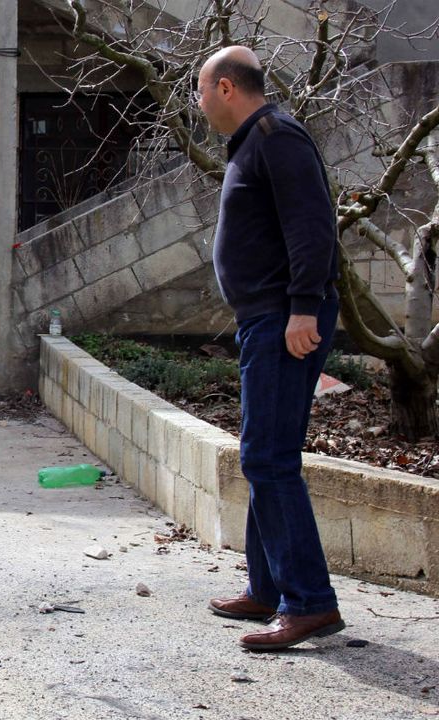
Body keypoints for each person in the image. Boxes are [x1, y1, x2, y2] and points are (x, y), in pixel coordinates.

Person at [196, 46, 345, 650]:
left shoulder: (277, 138)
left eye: (201, 90)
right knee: (263, 454)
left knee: (270, 457)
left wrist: (303, 308)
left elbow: (313, 227)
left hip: (286, 318)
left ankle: (309, 602)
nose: (198, 102)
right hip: (265, 317)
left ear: (227, 88)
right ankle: (267, 589)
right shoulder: (255, 141)